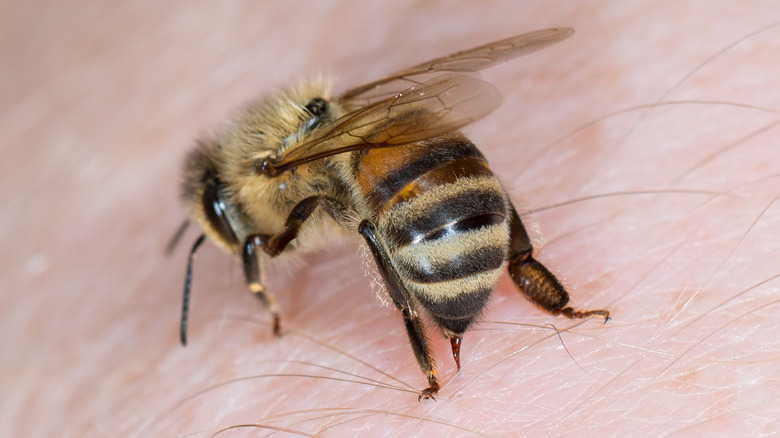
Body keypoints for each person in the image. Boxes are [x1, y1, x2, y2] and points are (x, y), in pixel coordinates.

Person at [5, 2, 778, 435]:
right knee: (422, 195)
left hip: (416, 203)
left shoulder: (275, 177)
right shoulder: (321, 130)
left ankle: (431, 364)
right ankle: (543, 287)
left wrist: (263, 300)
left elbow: (333, 223)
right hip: (428, 165)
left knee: (379, 220)